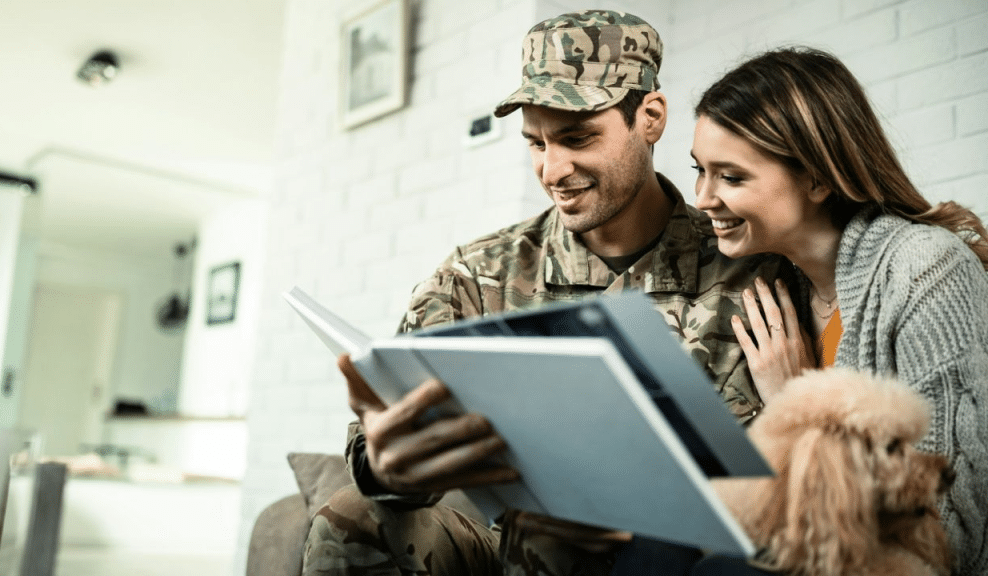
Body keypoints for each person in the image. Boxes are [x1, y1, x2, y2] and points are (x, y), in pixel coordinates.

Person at [304, 10, 793, 576]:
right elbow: (378, 442)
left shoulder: (748, 268)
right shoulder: (476, 273)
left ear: (651, 117)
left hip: (673, 554)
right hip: (503, 546)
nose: (552, 169)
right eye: (535, 142)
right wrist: (383, 470)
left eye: (577, 137)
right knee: (350, 518)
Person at [691, 46, 988, 575]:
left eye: (730, 177)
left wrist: (795, 405)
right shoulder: (773, 286)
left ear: (816, 179)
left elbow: (949, 531)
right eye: (701, 172)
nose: (702, 198)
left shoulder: (924, 269)